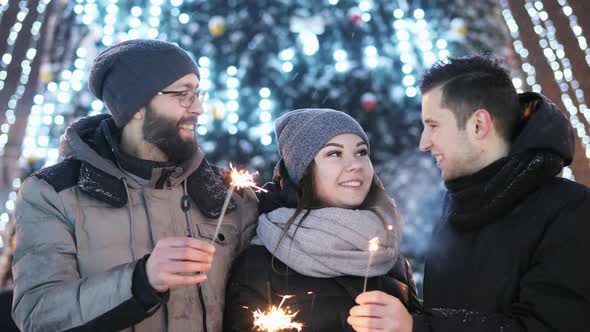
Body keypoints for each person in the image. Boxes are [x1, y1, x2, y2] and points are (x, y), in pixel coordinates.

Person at [11, 39, 258, 332]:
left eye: (198, 93)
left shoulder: (230, 194)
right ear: (136, 106)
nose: (199, 108)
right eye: (183, 94)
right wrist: (141, 281)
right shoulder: (54, 193)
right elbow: (38, 315)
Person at [347, 56, 590, 332]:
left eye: (434, 125)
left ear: (478, 125)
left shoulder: (571, 210)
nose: (424, 143)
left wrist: (418, 327)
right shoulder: (456, 207)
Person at [224, 108, 421, 332]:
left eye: (361, 152)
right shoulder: (261, 263)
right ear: (303, 170)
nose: (355, 164)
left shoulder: (390, 256)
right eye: (334, 154)